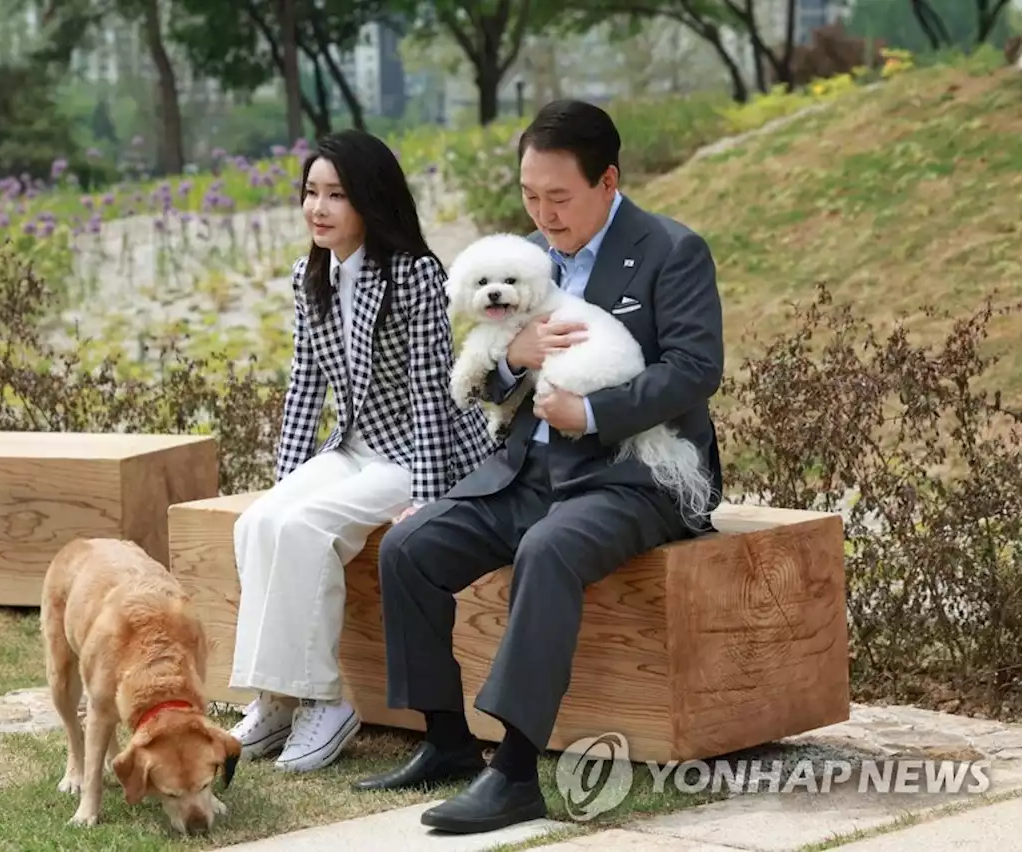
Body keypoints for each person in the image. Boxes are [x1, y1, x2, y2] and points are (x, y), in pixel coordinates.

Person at [351, 99, 726, 833]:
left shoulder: (671, 251)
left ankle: (516, 773)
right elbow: (489, 377)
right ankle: (448, 741)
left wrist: (589, 414)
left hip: (634, 476)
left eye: (559, 197)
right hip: (530, 471)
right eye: (530, 195)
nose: (543, 214)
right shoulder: (522, 258)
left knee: (545, 550)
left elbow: (694, 368)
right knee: (409, 547)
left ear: (608, 180)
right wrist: (511, 363)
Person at [226, 128, 495, 774]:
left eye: (336, 195)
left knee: (307, 528)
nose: (318, 208)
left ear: (370, 201)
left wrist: (428, 500)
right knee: (259, 521)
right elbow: (304, 385)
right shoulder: (308, 275)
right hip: (352, 448)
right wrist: (284, 480)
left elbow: (434, 393)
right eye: (311, 193)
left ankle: (326, 703)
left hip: (415, 456)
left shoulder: (413, 274)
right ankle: (278, 698)